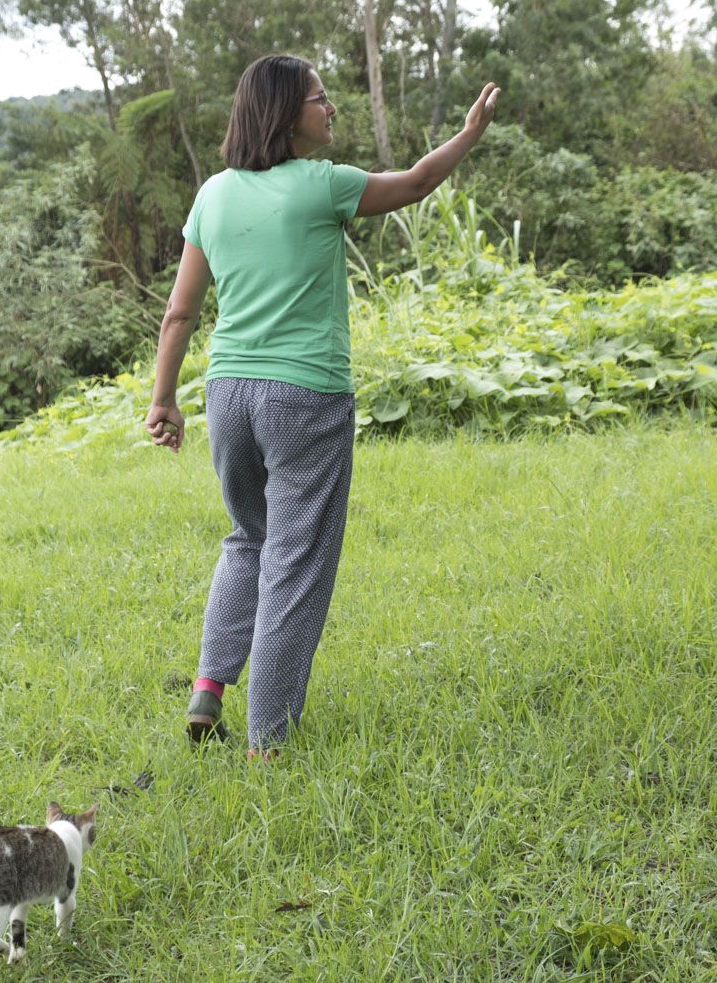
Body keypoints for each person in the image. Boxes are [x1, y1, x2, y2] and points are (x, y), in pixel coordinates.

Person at [145, 53, 500, 759]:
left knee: (248, 538)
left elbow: (179, 314)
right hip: (304, 394)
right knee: (296, 560)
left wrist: (164, 401)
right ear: (285, 115)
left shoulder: (213, 194)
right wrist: (469, 133)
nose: (330, 108)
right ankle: (267, 741)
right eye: (320, 98)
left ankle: (208, 691)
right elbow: (420, 181)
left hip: (229, 396)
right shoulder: (320, 186)